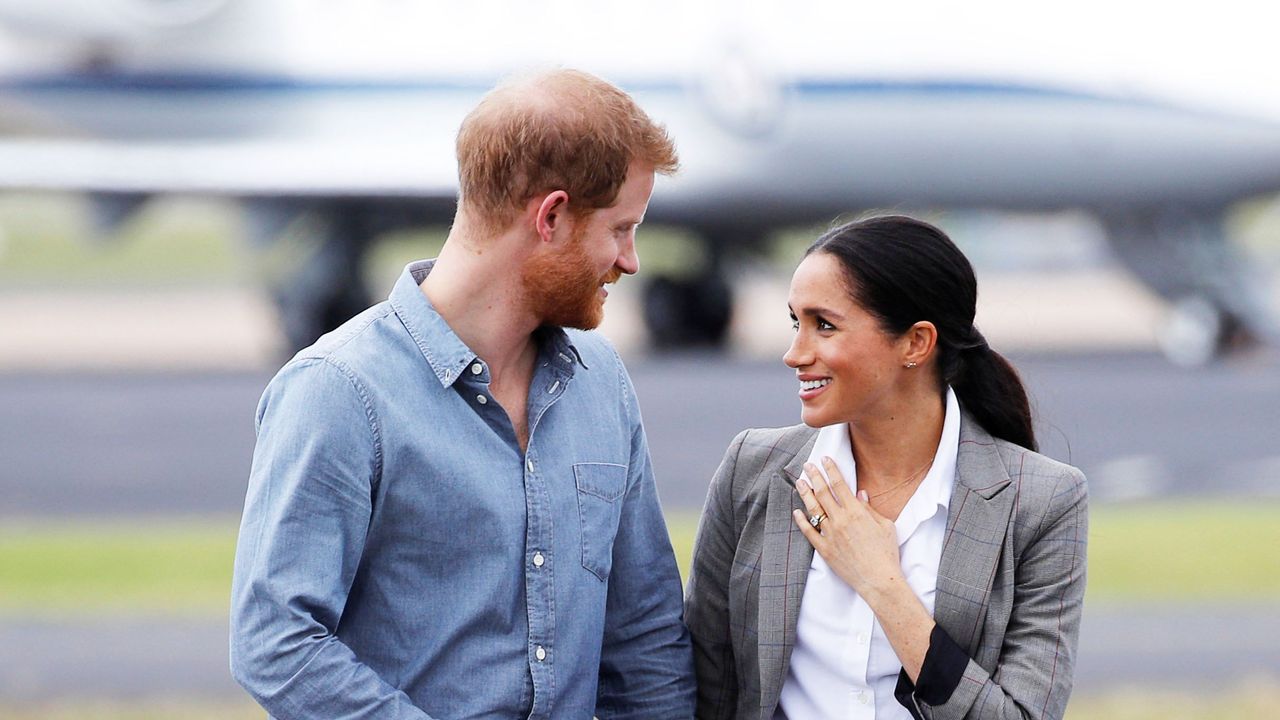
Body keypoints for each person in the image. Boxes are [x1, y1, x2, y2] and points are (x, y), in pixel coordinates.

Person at [230, 68, 695, 719]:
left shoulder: (602, 382)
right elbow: (276, 643)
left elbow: (643, 642)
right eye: (620, 229)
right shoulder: (338, 392)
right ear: (552, 216)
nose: (631, 261)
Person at [683, 215, 1088, 720]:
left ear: (916, 342)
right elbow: (706, 692)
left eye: (824, 325)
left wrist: (881, 583)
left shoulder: (1044, 500)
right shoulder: (753, 470)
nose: (794, 353)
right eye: (796, 323)